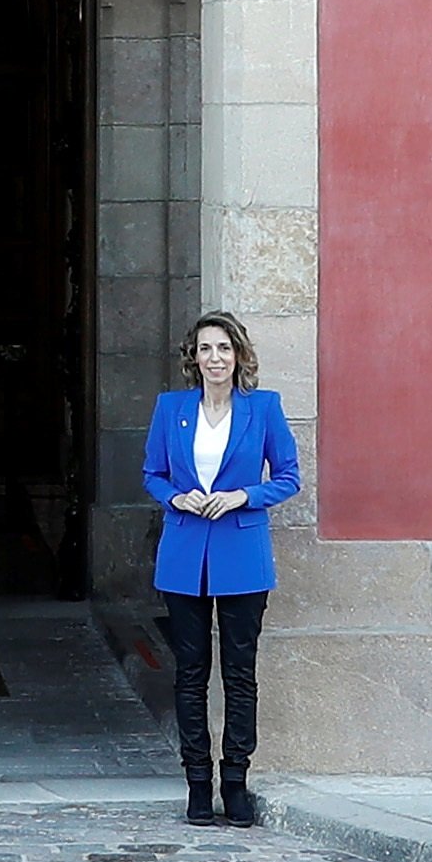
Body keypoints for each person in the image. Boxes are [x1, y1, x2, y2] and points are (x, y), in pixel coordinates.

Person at [140, 310, 299, 829]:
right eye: (206, 349)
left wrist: (243, 495)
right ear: (194, 358)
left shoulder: (264, 408)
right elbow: (152, 474)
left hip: (242, 555)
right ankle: (197, 781)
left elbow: (290, 477)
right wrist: (176, 496)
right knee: (190, 673)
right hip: (185, 554)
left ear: (239, 356)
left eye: (224, 349)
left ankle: (235, 780)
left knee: (239, 672)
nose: (215, 359)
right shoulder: (171, 408)